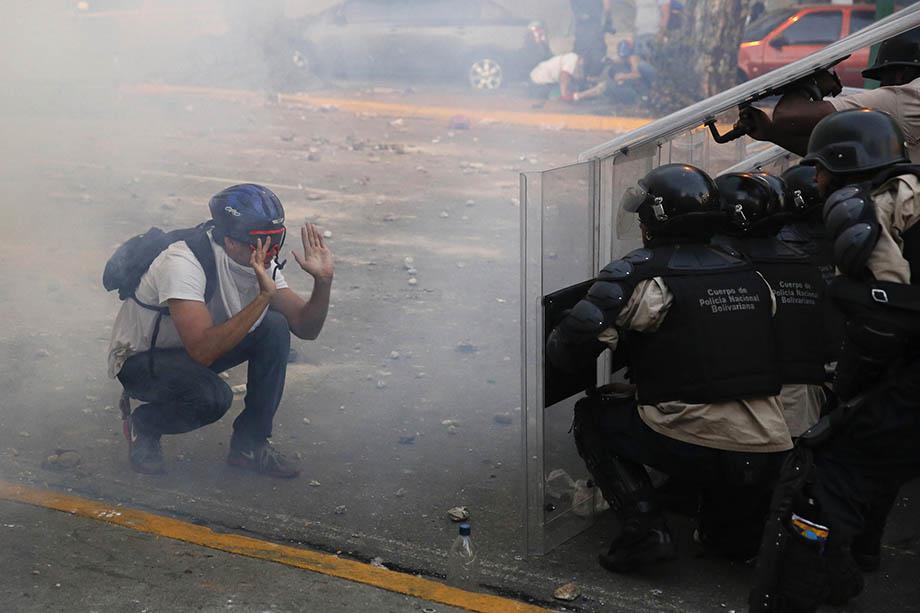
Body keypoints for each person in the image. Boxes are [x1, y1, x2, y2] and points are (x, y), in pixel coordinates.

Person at [546, 164, 792, 571]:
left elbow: (573, 341)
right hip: (766, 448)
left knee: (593, 416)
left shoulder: (648, 277)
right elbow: (720, 354)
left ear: (653, 222)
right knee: (730, 546)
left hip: (697, 440)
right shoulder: (749, 273)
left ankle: (645, 533)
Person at [749, 109, 920, 611]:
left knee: (818, 478)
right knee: (878, 460)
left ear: (847, 163)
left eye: (821, 167)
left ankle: (792, 595)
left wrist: (847, 400)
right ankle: (855, 560)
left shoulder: (870, 209)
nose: (815, 178)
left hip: (906, 380)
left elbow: (882, 319)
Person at [107, 184, 335, 477]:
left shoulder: (259, 259)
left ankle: (250, 446)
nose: (271, 250)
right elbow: (202, 351)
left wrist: (323, 282)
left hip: (193, 349)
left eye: (276, 239)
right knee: (212, 398)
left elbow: (306, 327)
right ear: (230, 241)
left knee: (275, 327)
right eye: (260, 241)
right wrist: (263, 297)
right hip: (143, 362)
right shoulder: (183, 263)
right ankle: (146, 425)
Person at [713, 172, 827, 438]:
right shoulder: (804, 264)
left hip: (742, 395)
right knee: (797, 469)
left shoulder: (723, 266)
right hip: (801, 392)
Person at [739, 27, 920, 162]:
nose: (881, 86)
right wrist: (772, 133)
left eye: (883, 79)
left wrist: (812, 84)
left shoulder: (907, 98)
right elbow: (850, 161)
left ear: (899, 75)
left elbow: (787, 115)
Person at [574, 38, 655, 104]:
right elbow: (619, 59)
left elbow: (637, 74)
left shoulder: (634, 58)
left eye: (625, 56)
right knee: (609, 79)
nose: (623, 58)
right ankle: (580, 95)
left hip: (641, 89)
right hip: (635, 86)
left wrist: (623, 76)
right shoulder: (626, 57)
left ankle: (579, 96)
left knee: (607, 86)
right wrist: (609, 61)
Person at [571, 0, 614, 77]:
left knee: (580, 54)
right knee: (596, 55)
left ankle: (582, 79)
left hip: (581, 27)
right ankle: (591, 79)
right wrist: (608, 21)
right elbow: (607, 5)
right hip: (594, 27)